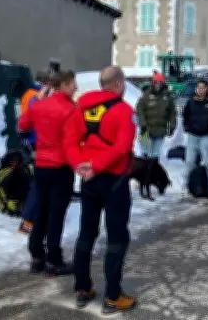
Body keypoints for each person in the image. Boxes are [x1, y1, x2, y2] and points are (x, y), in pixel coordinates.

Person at [64, 67, 137, 313]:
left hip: (89, 181)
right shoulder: (124, 111)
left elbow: (69, 142)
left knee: (86, 234)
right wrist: (95, 166)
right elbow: (122, 148)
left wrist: (80, 167)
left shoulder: (81, 109)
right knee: (117, 238)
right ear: (118, 84)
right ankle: (113, 296)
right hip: (113, 181)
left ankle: (83, 288)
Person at [17, 70, 77, 276]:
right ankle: (54, 259)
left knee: (41, 210)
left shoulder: (39, 105)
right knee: (56, 214)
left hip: (42, 166)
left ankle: (36, 256)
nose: (76, 88)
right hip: (62, 168)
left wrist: (38, 101)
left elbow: (22, 126)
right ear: (64, 85)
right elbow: (74, 141)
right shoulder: (70, 109)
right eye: (73, 84)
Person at [17, 71, 54, 235]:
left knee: (39, 183)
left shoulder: (29, 94)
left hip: (33, 142)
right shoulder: (36, 96)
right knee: (39, 184)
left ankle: (32, 220)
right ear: (45, 82)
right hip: (37, 143)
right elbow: (37, 118)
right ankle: (28, 222)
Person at [182, 79, 208, 197]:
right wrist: (187, 126)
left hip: (206, 136)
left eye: (203, 87)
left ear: (206, 89)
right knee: (189, 161)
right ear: (197, 89)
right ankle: (185, 186)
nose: (201, 89)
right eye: (199, 87)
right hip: (192, 135)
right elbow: (185, 115)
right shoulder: (191, 102)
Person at [134, 72, 176, 159]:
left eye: (160, 82)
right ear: (153, 83)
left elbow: (172, 114)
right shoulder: (146, 95)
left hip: (160, 131)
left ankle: (153, 171)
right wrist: (142, 123)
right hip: (146, 131)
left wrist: (172, 126)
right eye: (156, 82)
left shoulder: (167, 96)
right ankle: (144, 172)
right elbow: (139, 109)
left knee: (155, 156)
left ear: (163, 83)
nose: (158, 84)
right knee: (145, 155)